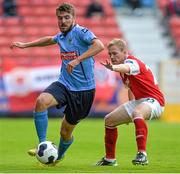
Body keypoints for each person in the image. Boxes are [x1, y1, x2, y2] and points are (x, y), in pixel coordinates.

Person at [10, 3, 104, 163]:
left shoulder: (81, 32)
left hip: (84, 91)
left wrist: (77, 60)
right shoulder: (61, 36)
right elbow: (50, 39)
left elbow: (99, 45)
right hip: (64, 84)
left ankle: (59, 155)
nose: (63, 21)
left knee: (65, 132)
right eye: (60, 18)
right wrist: (26, 45)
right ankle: (42, 144)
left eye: (67, 17)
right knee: (41, 101)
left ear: (73, 18)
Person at [96, 38, 165, 166]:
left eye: (115, 53)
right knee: (109, 120)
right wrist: (129, 108)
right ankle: (110, 159)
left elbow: (126, 67)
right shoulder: (123, 72)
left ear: (124, 52)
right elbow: (130, 88)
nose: (112, 56)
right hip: (139, 101)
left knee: (137, 112)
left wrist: (114, 68)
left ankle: (142, 154)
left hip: (155, 100)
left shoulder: (132, 62)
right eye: (110, 54)